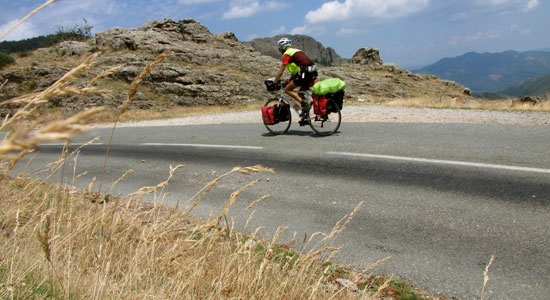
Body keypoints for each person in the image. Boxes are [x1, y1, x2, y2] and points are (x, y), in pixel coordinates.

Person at [273, 37, 318, 118]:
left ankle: (305, 104)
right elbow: (294, 71)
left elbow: (280, 72)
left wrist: (275, 82)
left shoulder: (286, 54)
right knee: (300, 95)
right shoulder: (296, 51)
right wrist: (290, 80)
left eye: (279, 49)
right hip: (312, 71)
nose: (279, 51)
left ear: (283, 48)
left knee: (287, 90)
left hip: (305, 72)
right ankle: (306, 115)